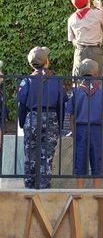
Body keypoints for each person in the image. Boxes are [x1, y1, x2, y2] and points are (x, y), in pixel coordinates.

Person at [17, 46, 68, 189]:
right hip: (51, 118)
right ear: (46, 61)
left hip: (32, 117)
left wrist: (22, 122)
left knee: (30, 153)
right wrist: (59, 123)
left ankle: (29, 184)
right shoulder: (56, 80)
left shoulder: (27, 80)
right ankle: (44, 185)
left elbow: (21, 104)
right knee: (47, 155)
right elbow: (61, 103)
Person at [66, 58, 103, 188]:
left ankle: (79, 193)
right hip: (97, 130)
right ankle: (97, 193)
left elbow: (71, 115)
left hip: (80, 129)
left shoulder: (75, 91)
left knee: (80, 162)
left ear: (80, 72)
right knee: (97, 162)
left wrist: (73, 132)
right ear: (96, 73)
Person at [67, 0, 103, 76]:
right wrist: (101, 7)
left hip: (80, 51)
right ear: (87, 1)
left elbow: (72, 40)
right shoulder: (97, 13)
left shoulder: (71, 19)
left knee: (78, 81)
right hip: (95, 51)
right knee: (97, 82)